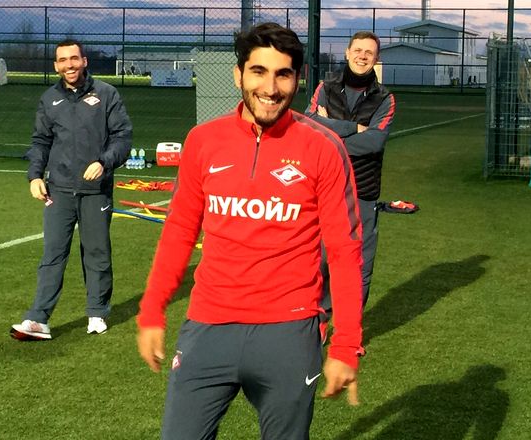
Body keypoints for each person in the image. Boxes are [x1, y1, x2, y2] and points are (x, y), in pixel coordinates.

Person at [136, 22, 364, 439]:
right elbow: (180, 230)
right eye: (258, 71)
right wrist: (152, 309)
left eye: (283, 74)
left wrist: (347, 343)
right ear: (238, 74)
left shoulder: (323, 148)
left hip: (288, 332)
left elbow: (344, 251)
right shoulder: (203, 141)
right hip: (208, 326)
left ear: (299, 78)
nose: (270, 88)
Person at [10, 39, 132, 341]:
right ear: (56, 65)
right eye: (63, 60)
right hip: (59, 190)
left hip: (95, 190)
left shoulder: (106, 94)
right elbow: (41, 141)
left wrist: (103, 162)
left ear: (84, 61)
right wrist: (34, 176)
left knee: (96, 252)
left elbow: (122, 137)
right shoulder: (49, 98)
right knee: (52, 254)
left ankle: (97, 313)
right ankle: (39, 319)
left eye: (74, 59)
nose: (69, 65)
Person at [306, 31, 395, 312]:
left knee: (359, 265)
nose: (362, 56)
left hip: (363, 191)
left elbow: (374, 142)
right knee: (319, 260)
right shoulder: (325, 87)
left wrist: (329, 129)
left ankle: (351, 326)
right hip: (324, 188)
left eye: (369, 52)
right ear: (347, 53)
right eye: (357, 50)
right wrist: (352, 128)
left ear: (376, 58)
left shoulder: (385, 98)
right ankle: (320, 320)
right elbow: (308, 125)